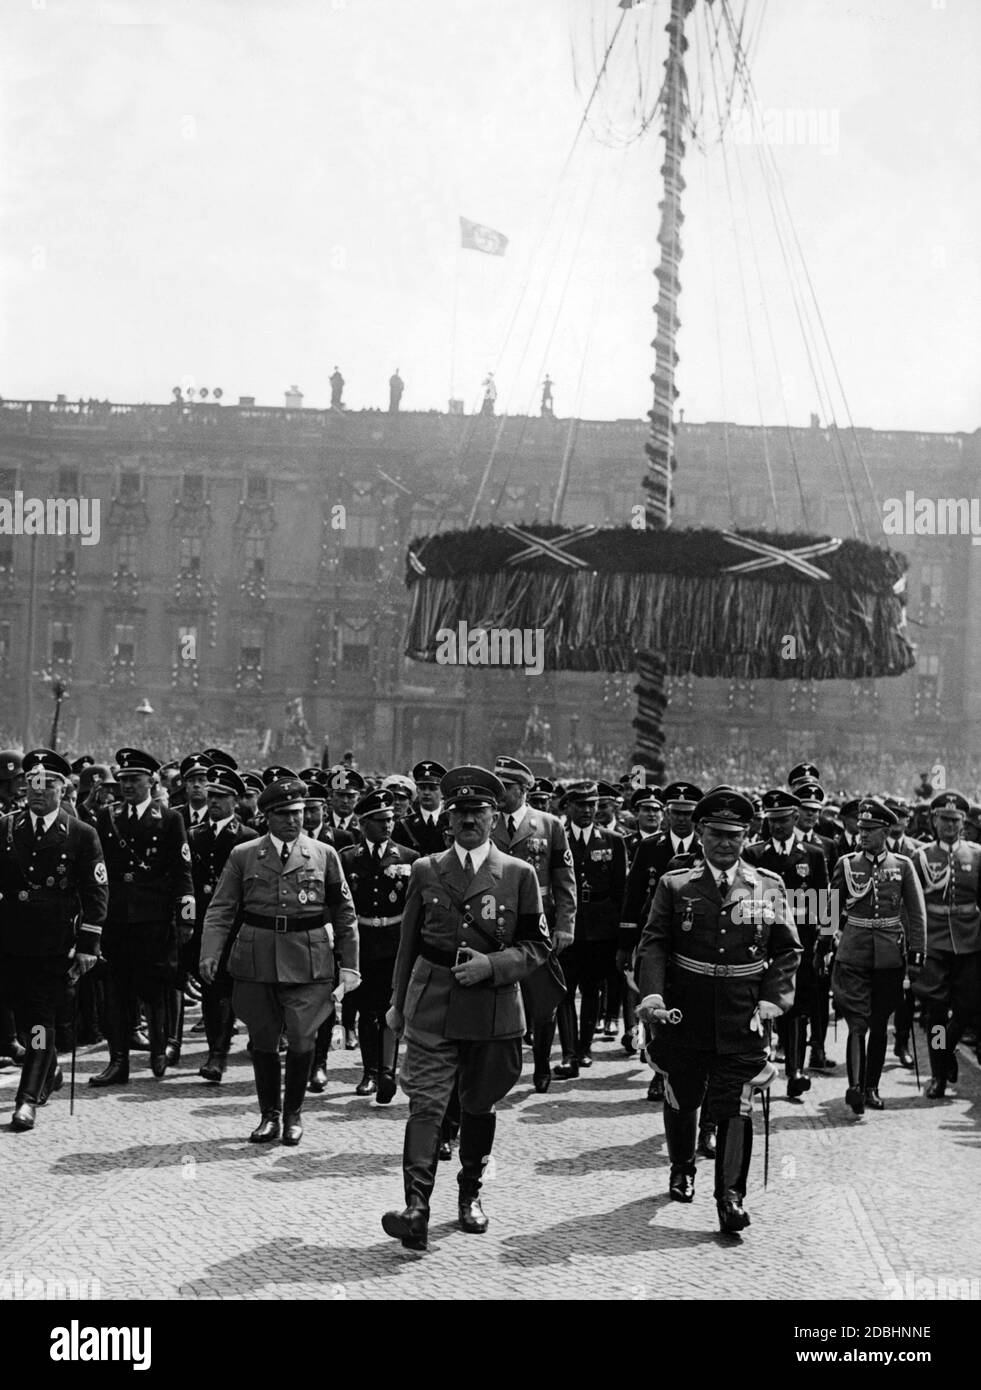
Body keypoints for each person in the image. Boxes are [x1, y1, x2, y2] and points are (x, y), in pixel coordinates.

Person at [381, 766, 550, 1252]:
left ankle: (470, 1192)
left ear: (495, 818)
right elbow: (407, 945)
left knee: (478, 1103)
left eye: (479, 812)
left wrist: (493, 965)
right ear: (448, 820)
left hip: (492, 1007)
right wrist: (397, 1005)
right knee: (427, 1103)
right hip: (433, 999)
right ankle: (416, 1207)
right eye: (461, 813)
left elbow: (536, 947)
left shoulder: (519, 875)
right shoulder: (427, 869)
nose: (469, 820)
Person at [635, 789, 800, 1235]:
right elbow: (654, 944)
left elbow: (787, 950)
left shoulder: (767, 885)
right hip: (685, 1010)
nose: (724, 844)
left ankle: (730, 1196)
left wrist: (773, 999)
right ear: (701, 834)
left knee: (735, 1104)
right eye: (716, 834)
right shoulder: (676, 884)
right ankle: (682, 1166)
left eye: (734, 835)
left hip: (740, 1011)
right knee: (683, 1093)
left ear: (747, 836)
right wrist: (653, 997)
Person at [200, 776, 359, 1146]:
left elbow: (344, 913)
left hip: (309, 958)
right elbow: (222, 907)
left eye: (299, 813)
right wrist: (211, 951)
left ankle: (294, 1114)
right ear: (266, 816)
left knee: (303, 1037)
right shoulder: (245, 854)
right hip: (256, 958)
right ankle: (269, 1115)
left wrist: (350, 964)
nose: (293, 820)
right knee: (264, 1038)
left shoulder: (323, 854)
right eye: (284, 814)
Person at [0, 750, 107, 1132]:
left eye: (47, 784)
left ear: (63, 789)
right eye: (31, 783)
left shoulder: (79, 834)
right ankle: (49, 1066)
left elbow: (96, 893)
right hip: (10, 942)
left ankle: (25, 1101)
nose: (37, 791)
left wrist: (88, 946)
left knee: (41, 1021)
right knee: (26, 1019)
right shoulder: (8, 828)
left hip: (53, 944)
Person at [89, 748, 195, 1087]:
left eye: (135, 779)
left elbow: (183, 873)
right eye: (123, 780)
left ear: (151, 780)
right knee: (116, 992)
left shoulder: (169, 819)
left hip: (154, 919)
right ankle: (118, 1061)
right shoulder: (108, 817)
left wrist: (186, 918)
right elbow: (99, 869)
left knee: (156, 989)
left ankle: (159, 1048)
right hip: (117, 919)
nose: (128, 786)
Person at [826, 798, 926, 1113]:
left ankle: (871, 1087)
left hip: (889, 957)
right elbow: (827, 909)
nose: (862, 834)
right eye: (861, 828)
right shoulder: (845, 863)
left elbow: (916, 913)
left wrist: (917, 954)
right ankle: (855, 1087)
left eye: (870, 829)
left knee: (880, 1024)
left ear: (885, 830)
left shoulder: (903, 865)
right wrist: (824, 943)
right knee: (857, 1022)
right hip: (853, 952)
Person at [490, 755, 576, 1091]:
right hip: (495, 918)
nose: (501, 794)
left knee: (541, 996)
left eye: (508, 788)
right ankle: (502, 1065)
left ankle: (541, 1063)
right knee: (499, 993)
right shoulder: (488, 820)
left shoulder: (549, 825)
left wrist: (565, 924)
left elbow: (564, 879)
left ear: (525, 789)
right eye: (499, 787)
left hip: (539, 919)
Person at [744, 790, 829, 1099]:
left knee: (797, 1007)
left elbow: (824, 901)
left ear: (795, 818)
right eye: (772, 820)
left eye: (783, 820)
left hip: (801, 944)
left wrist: (826, 942)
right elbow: (747, 904)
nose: (778, 826)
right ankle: (757, 1067)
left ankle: (795, 1070)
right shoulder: (754, 854)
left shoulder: (813, 854)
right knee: (761, 1005)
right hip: (764, 943)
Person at [339, 789, 418, 1100]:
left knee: (390, 1008)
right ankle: (369, 1072)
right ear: (363, 824)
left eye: (390, 819)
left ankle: (387, 1071)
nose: (387, 825)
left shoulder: (409, 857)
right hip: (363, 942)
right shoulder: (348, 858)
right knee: (366, 1010)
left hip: (394, 943)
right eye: (379, 820)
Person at [552, 781, 627, 1078]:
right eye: (580, 805)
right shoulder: (558, 839)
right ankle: (569, 1053)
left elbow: (622, 891)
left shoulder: (612, 840)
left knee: (593, 989)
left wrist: (622, 933)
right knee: (565, 991)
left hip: (601, 929)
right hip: (567, 926)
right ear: (567, 807)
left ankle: (585, 1049)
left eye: (591, 805)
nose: (586, 811)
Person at [188, 765, 258, 1082]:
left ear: (235, 801)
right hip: (205, 922)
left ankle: (220, 1053)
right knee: (208, 986)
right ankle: (214, 1048)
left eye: (221, 796)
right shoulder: (194, 835)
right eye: (211, 795)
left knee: (230, 988)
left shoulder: (248, 838)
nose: (213, 801)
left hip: (237, 924)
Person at [911, 790, 981, 1099]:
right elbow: (913, 904)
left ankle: (947, 1048)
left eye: (956, 820)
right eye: (944, 820)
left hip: (970, 940)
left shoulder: (977, 855)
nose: (950, 826)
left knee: (968, 1007)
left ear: (964, 823)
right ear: (934, 821)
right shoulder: (921, 856)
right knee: (936, 1011)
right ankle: (938, 1074)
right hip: (935, 940)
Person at [405, 761, 447, 856]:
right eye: (422, 788)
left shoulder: (451, 821)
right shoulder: (404, 825)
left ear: (442, 792)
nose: (426, 793)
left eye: (432, 788)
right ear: (417, 791)